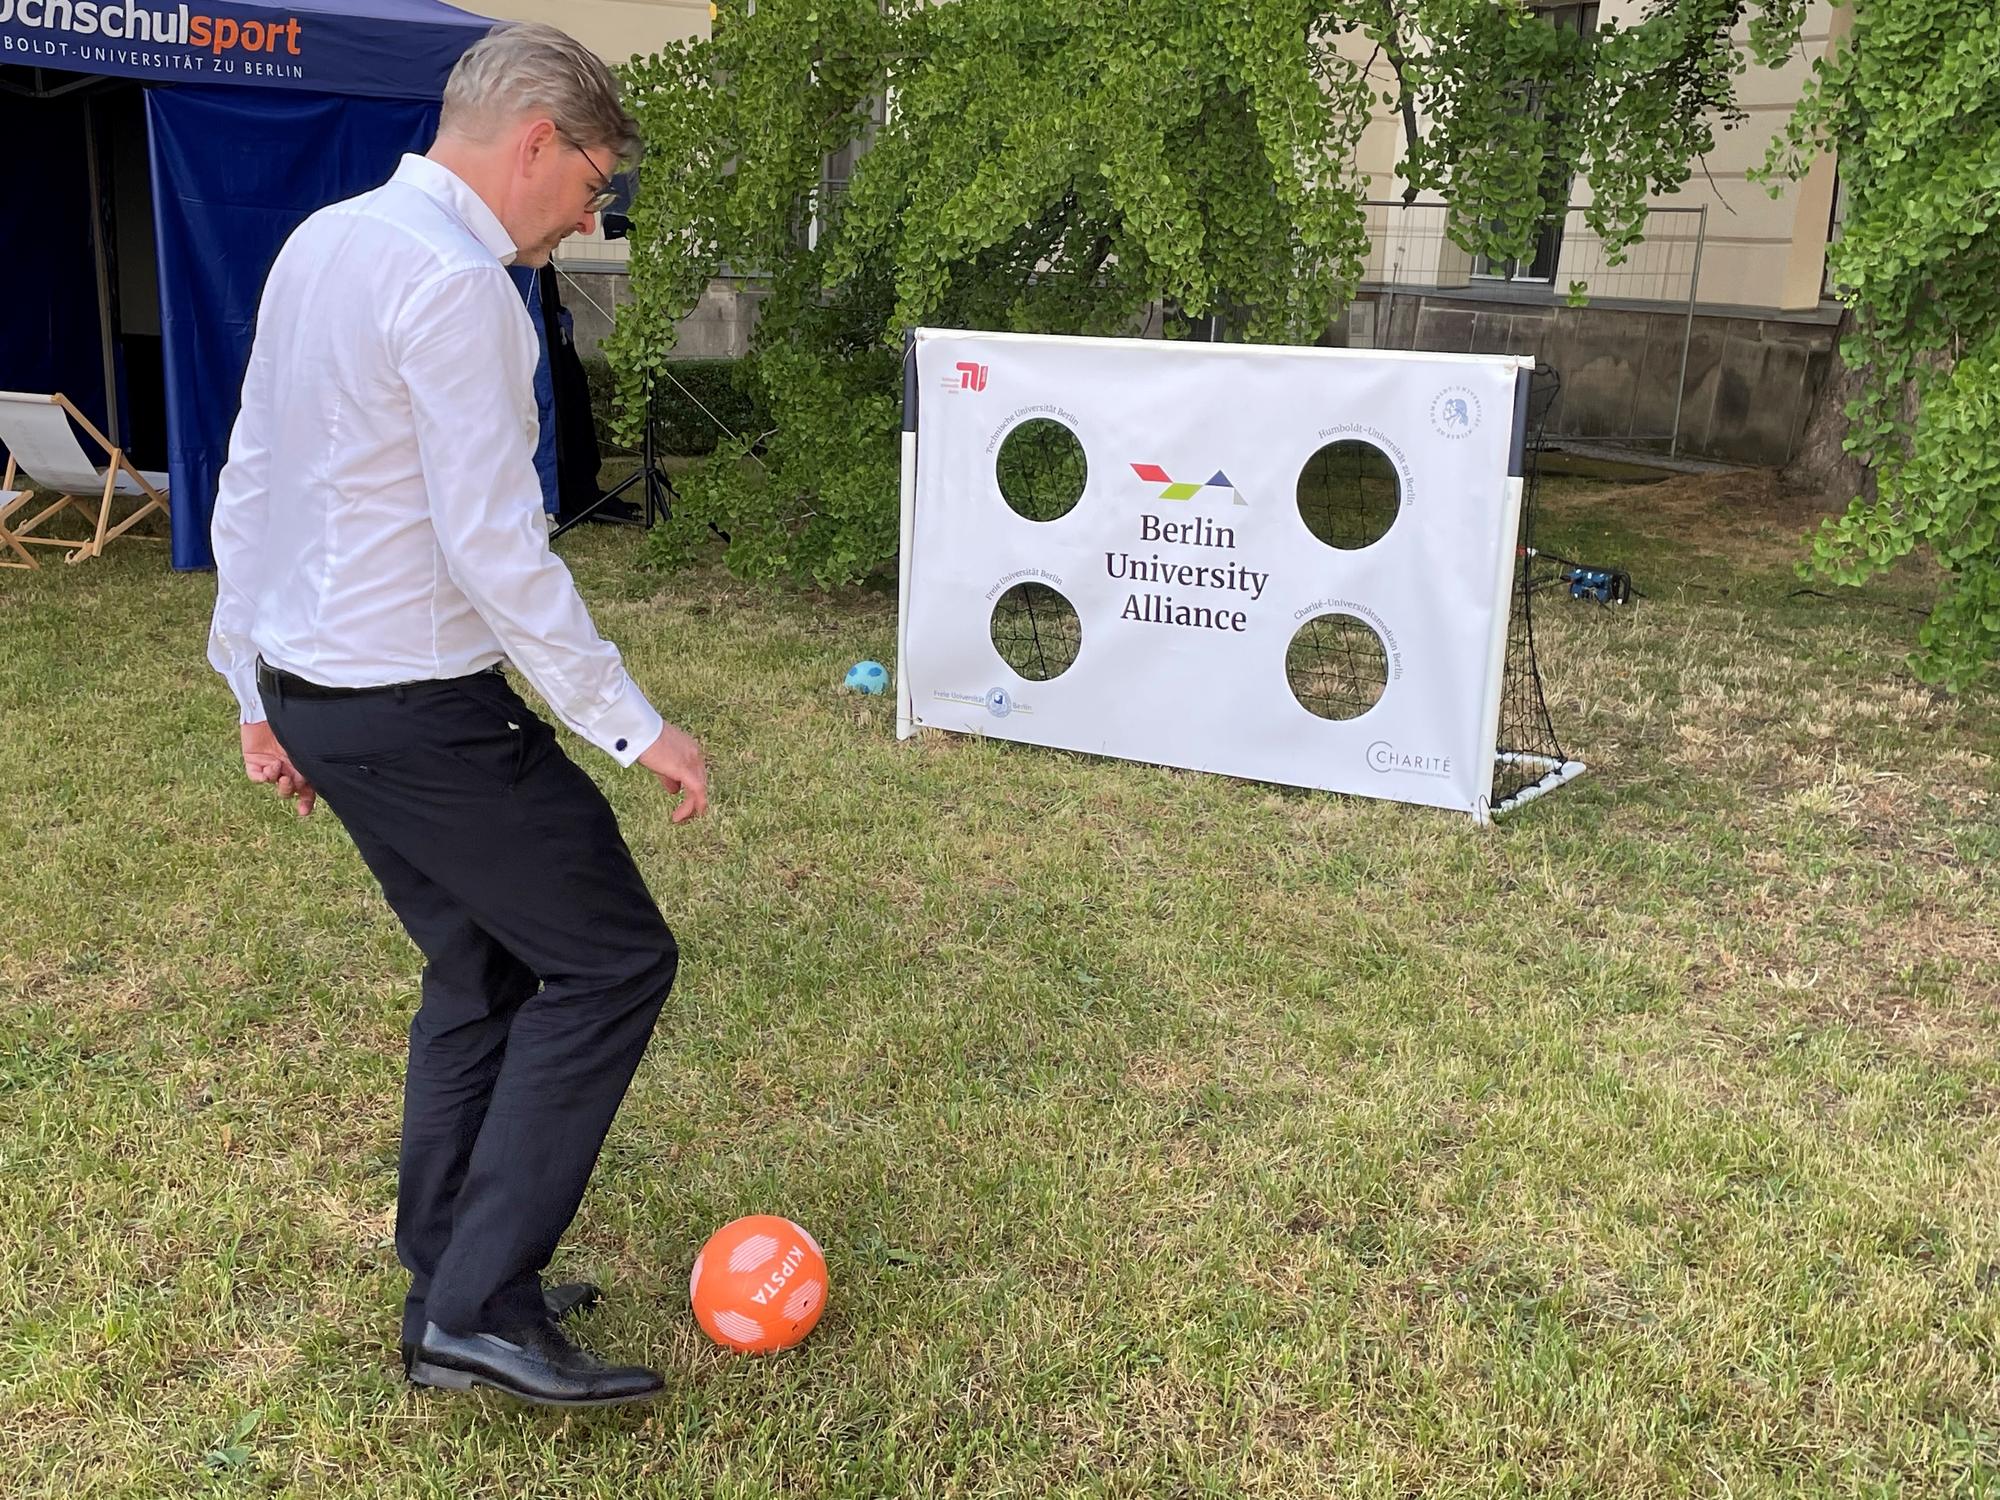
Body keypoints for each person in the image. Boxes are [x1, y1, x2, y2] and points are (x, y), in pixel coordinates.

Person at [205, 21, 707, 1408]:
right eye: (598, 178)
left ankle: (454, 1271)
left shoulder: (325, 241)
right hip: (417, 710)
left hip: (330, 701)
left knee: (483, 967)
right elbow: (498, 550)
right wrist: (632, 722)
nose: (595, 212)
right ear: (535, 136)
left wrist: (258, 691)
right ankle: (476, 1311)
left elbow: (254, 473)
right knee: (610, 961)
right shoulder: (459, 283)